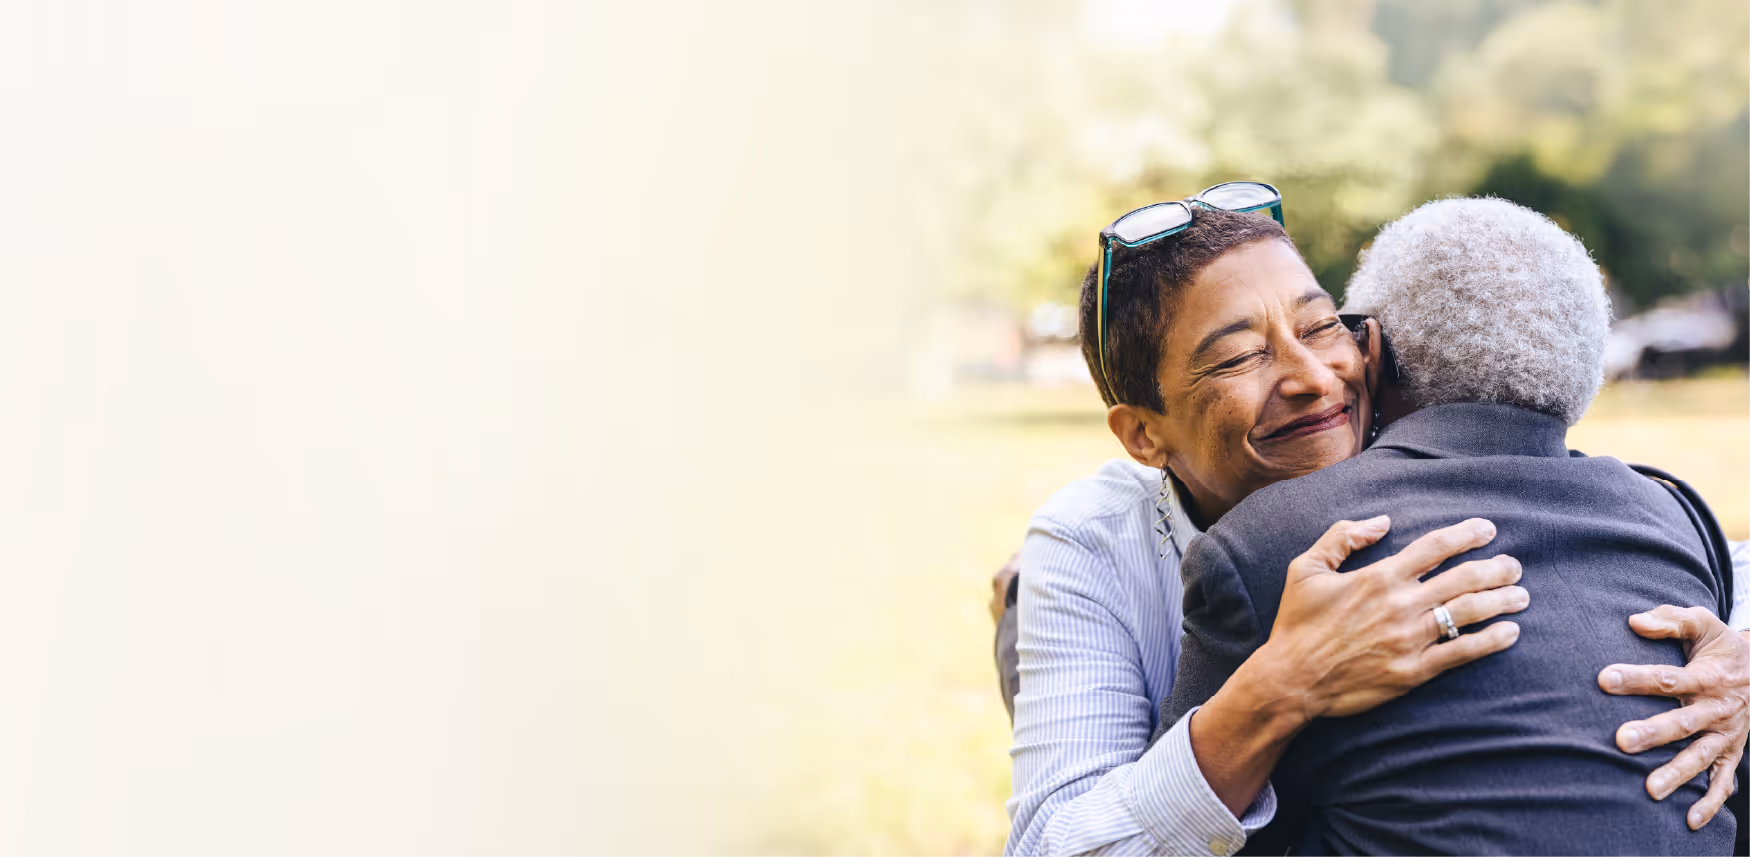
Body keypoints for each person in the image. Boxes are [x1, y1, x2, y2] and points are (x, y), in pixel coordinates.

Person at [1000, 193, 1750, 857]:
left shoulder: (1486, 484)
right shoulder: (1094, 541)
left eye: (1322, 325)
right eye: (1237, 358)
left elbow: (1720, 563)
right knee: (1028, 612)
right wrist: (1281, 685)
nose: (1313, 378)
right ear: (1142, 435)